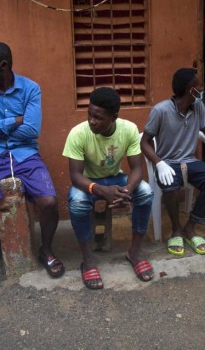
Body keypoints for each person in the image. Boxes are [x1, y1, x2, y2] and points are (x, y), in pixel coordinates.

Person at [0, 42, 64, 278]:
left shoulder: (30, 89)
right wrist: (12, 120)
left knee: (48, 203)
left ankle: (46, 249)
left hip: (25, 154)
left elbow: (31, 130)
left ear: (3, 65)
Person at [63, 87, 154, 290]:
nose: (92, 121)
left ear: (113, 117)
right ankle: (88, 259)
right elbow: (76, 176)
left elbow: (138, 169)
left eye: (98, 117)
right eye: (89, 114)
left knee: (146, 193)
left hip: (117, 179)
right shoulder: (78, 133)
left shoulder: (129, 129)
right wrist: (103, 191)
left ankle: (135, 252)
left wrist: (127, 191)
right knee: (77, 202)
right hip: (89, 182)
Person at [141, 68, 205, 257]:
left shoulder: (198, 107)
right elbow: (144, 142)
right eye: (199, 85)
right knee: (170, 186)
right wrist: (158, 162)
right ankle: (176, 229)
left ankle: (190, 226)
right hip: (167, 161)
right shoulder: (160, 111)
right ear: (190, 89)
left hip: (190, 161)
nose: (202, 88)